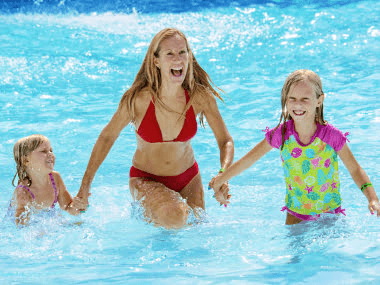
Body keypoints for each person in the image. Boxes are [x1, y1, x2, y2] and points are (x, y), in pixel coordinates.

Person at [75, 28, 234, 229]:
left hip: (189, 178)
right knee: (176, 216)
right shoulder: (138, 100)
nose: (178, 59)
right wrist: (85, 186)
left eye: (182, 52)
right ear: (156, 61)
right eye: (170, 54)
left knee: (198, 231)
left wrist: (223, 175)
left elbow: (225, 140)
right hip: (146, 179)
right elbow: (107, 137)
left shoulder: (199, 97)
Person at [209, 69, 380, 225]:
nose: (298, 104)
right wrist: (220, 181)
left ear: (319, 100)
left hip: (329, 214)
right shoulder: (282, 135)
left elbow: (355, 169)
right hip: (295, 214)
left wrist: (372, 198)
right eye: (292, 99)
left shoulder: (331, 136)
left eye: (305, 99)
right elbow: (249, 160)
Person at [10, 134, 82, 225]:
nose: (50, 154)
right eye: (44, 151)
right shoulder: (24, 192)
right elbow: (20, 226)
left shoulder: (55, 178)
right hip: (29, 223)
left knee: (80, 224)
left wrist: (78, 206)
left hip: (47, 219)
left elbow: (67, 207)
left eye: (51, 150)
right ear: (26, 160)